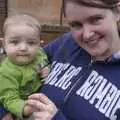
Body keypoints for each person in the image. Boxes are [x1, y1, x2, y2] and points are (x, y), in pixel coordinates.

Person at [2, 0, 120, 120]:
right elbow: (13, 67)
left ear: (117, 11)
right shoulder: (67, 43)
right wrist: (4, 110)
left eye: (96, 19)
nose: (87, 35)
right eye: (76, 24)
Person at [0, 14, 50, 120]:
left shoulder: (40, 54)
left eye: (31, 43)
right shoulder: (6, 72)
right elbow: (9, 99)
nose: (23, 48)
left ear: (39, 44)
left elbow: (44, 63)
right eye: (14, 42)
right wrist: (25, 108)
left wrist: (46, 69)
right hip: (21, 108)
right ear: (4, 44)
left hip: (41, 100)